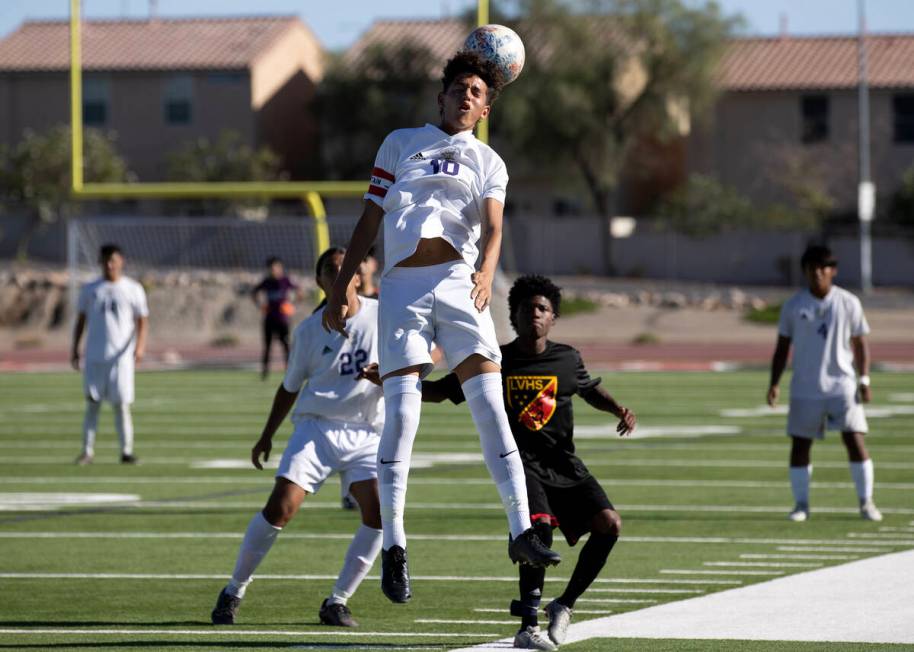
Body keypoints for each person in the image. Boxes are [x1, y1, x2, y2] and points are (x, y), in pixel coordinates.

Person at [322, 51, 560, 604]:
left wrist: (486, 272)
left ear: (485, 108)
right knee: (402, 414)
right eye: (459, 87)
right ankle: (396, 548)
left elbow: (495, 226)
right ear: (442, 96)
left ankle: (521, 530)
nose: (467, 96)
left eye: (477, 91)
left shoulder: (489, 161)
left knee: (489, 406)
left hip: (461, 282)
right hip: (402, 286)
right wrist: (342, 288)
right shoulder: (401, 142)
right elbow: (369, 220)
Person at [420, 275, 636, 649]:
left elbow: (588, 388)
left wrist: (618, 408)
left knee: (610, 524)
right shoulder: (493, 360)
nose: (534, 314)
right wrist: (395, 382)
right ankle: (527, 627)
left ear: (553, 318)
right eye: (527, 309)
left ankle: (564, 604)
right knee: (537, 530)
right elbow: (441, 391)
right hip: (521, 465)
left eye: (542, 309)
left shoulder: (567, 358)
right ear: (514, 316)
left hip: (565, 463)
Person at [211, 248, 384, 628]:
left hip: (367, 432)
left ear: (359, 277)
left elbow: (421, 355)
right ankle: (234, 589)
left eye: (346, 270)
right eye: (330, 271)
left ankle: (337, 602)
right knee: (281, 508)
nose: (340, 276)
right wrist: (265, 436)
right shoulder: (308, 331)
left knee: (380, 515)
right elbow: (289, 388)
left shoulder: (382, 316)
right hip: (317, 429)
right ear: (320, 282)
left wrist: (390, 375)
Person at [768, 245, 882, 523]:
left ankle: (866, 502)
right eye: (811, 268)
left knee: (855, 439)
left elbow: (860, 343)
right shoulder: (794, 306)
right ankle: (801, 505)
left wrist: (864, 378)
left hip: (842, 384)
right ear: (805, 271)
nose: (817, 273)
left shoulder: (848, 302)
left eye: (823, 268)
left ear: (833, 271)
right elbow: (782, 348)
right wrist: (774, 383)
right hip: (805, 386)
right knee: (800, 445)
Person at [71, 244, 148, 465]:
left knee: (122, 405)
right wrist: (75, 349)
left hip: (121, 359)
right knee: (92, 404)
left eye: (112, 260)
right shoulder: (90, 289)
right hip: (95, 357)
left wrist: (140, 347)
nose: (109, 265)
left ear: (121, 261)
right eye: (105, 260)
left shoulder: (133, 289)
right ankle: (87, 451)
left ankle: (126, 451)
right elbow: (81, 321)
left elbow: (143, 320)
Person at [252, 257, 299, 380]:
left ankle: (289, 371)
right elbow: (254, 292)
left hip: (283, 320)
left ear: (281, 268)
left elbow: (299, 291)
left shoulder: (285, 281)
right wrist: (260, 305)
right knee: (267, 346)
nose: (274, 270)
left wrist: (292, 305)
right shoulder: (266, 282)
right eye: (271, 268)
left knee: (286, 346)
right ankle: (265, 372)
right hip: (269, 319)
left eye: (276, 267)